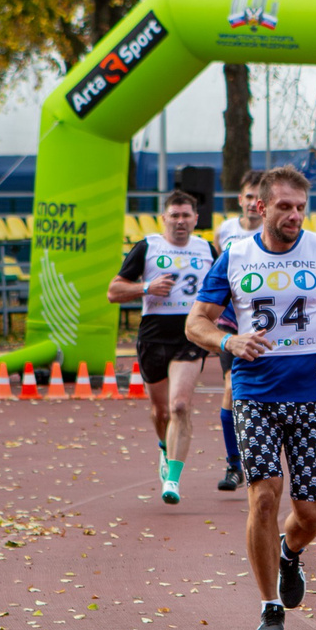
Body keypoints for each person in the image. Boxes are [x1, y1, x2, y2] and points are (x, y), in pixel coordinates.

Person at [187, 166, 316, 630]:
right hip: (255, 392)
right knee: (265, 493)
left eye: (300, 207)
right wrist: (230, 343)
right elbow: (197, 323)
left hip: (311, 393)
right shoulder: (235, 256)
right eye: (285, 206)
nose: (294, 215)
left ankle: (290, 553)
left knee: (310, 512)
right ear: (261, 207)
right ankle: (271, 605)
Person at [108, 188, 216, 503]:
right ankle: (163, 447)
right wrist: (146, 287)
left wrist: (222, 324)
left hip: (190, 334)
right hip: (154, 335)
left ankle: (173, 480)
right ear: (163, 218)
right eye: (175, 215)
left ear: (196, 219)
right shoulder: (148, 247)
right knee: (160, 411)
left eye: (186, 216)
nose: (180, 222)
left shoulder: (208, 250)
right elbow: (113, 291)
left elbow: (228, 289)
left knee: (180, 405)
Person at [210, 173, 266, 491]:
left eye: (258, 198)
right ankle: (234, 464)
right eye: (248, 197)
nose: (252, 204)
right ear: (240, 200)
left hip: (268, 326)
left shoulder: (273, 232)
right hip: (233, 323)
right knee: (231, 387)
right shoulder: (226, 232)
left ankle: (265, 457)